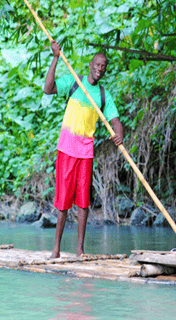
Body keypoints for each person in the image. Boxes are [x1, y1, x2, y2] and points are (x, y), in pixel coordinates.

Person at [44, 40, 124, 258]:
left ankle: (80, 249)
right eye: (97, 64)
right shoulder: (74, 82)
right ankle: (56, 250)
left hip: (86, 152)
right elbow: (48, 88)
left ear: (105, 71)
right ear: (90, 65)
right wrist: (56, 57)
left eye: (103, 66)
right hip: (66, 149)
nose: (100, 68)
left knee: (83, 202)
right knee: (63, 201)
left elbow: (115, 120)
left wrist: (119, 133)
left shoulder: (103, 95)